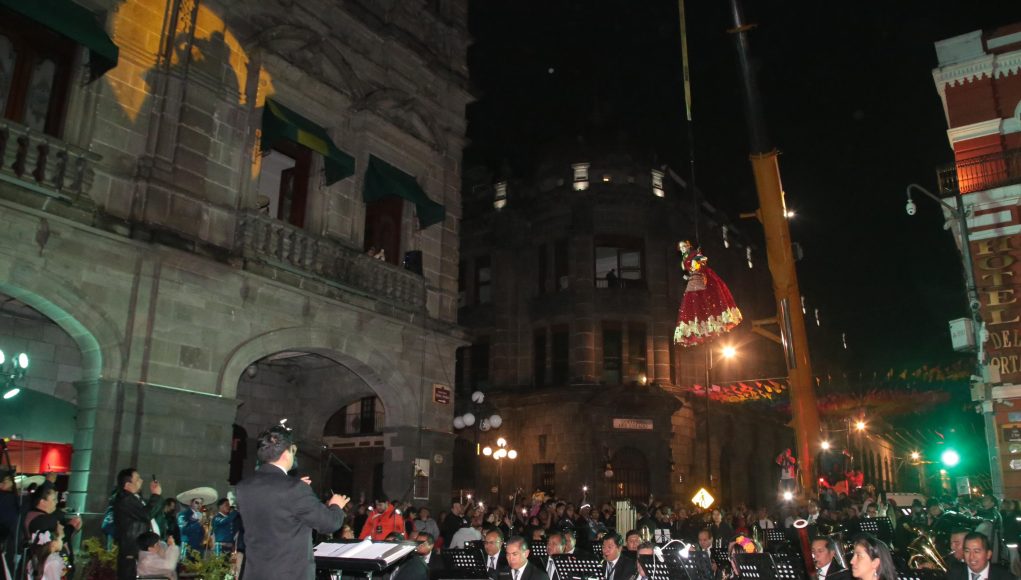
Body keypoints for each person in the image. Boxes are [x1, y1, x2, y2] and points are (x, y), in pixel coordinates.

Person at [236, 424, 350, 580]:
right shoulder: (294, 489)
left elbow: (275, 505)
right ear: (285, 454)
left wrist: (298, 490)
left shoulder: (244, 487)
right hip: (289, 574)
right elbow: (329, 524)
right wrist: (336, 505)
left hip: (255, 573)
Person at [673, 240, 743, 346]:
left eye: (684, 246)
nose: (682, 249)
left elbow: (703, 258)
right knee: (693, 301)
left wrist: (696, 262)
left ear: (688, 246)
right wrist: (687, 276)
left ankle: (710, 322)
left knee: (703, 298)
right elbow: (688, 272)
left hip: (701, 278)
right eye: (681, 248)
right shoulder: (683, 260)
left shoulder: (694, 254)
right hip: (693, 281)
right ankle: (700, 325)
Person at [113, 468, 163, 580]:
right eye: (137, 479)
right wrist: (155, 495)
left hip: (140, 553)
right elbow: (147, 514)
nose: (141, 481)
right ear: (127, 484)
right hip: (132, 554)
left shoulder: (135, 498)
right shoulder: (125, 499)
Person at [948, 532, 1015, 580]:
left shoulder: (1005, 577)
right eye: (967, 551)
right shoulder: (954, 574)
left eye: (976, 551)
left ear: (988, 554)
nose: (971, 557)